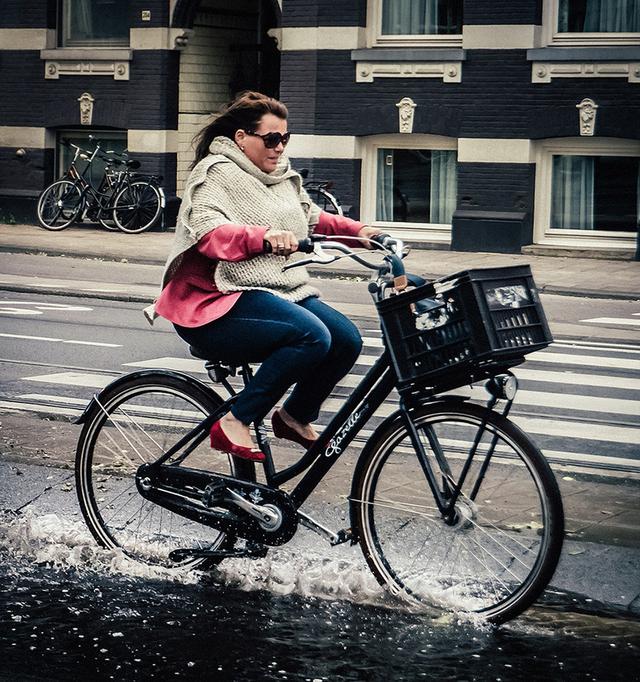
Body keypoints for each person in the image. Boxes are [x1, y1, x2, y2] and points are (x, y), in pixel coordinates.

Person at [148, 91, 381, 462]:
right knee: (311, 335)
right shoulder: (216, 174)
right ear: (242, 137)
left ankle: (294, 416)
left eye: (284, 139)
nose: (279, 147)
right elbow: (207, 232)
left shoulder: (282, 177)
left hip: (273, 289)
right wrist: (261, 236)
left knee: (346, 340)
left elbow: (313, 218)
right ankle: (236, 421)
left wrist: (363, 233)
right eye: (271, 139)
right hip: (215, 300)